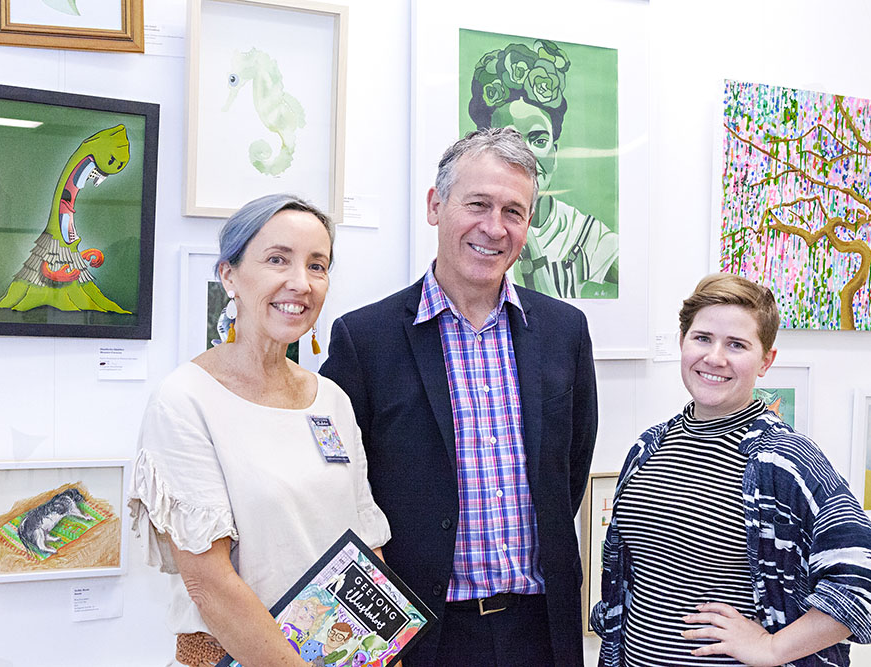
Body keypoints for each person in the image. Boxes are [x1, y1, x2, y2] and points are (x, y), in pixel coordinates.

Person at [320, 127, 597, 666]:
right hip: (423, 635)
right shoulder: (366, 338)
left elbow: (569, 473)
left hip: (541, 628)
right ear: (435, 205)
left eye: (514, 212)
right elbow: (341, 490)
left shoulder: (566, 331)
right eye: (478, 204)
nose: (494, 228)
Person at [128, 194, 390, 667]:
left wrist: (381, 652)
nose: (301, 283)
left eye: (318, 265)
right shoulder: (185, 400)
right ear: (230, 275)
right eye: (277, 260)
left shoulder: (331, 400)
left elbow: (365, 550)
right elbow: (209, 585)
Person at [591, 274, 871, 667]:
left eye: (737, 345)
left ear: (765, 361)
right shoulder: (647, 448)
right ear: (682, 342)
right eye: (702, 338)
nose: (715, 357)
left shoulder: (783, 459)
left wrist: (771, 648)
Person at [468, 38, 619, 299]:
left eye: (539, 140)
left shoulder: (587, 235)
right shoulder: (475, 232)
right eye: (511, 140)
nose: (527, 156)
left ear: (555, 153)